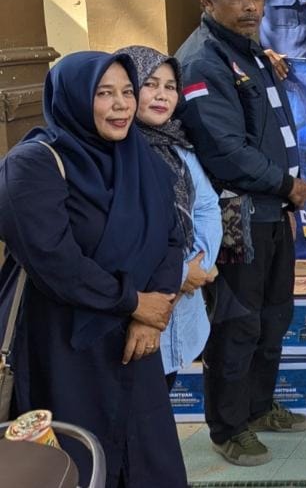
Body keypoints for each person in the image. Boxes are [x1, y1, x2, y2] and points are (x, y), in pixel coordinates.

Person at [0, 51, 187, 486]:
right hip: (63, 345)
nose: (121, 105)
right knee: (74, 464)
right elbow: (54, 260)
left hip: (134, 346)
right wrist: (133, 302)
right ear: (74, 98)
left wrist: (152, 316)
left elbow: (172, 238)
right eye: (104, 94)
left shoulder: (143, 161)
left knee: (149, 463)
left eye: (127, 92)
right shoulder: (31, 165)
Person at [175, 0, 306, 467]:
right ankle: (229, 428)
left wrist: (283, 197)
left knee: (273, 318)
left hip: (270, 212)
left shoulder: (251, 52)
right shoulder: (202, 61)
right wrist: (287, 185)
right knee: (237, 325)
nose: (251, 6)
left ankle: (258, 408)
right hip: (238, 219)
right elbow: (225, 150)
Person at [117, 45, 224, 390]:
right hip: (133, 311)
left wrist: (198, 265)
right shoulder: (115, 151)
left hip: (181, 313)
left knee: (160, 400)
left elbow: (206, 207)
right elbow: (125, 237)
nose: (162, 95)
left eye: (170, 86)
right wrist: (179, 276)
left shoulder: (178, 146)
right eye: (150, 84)